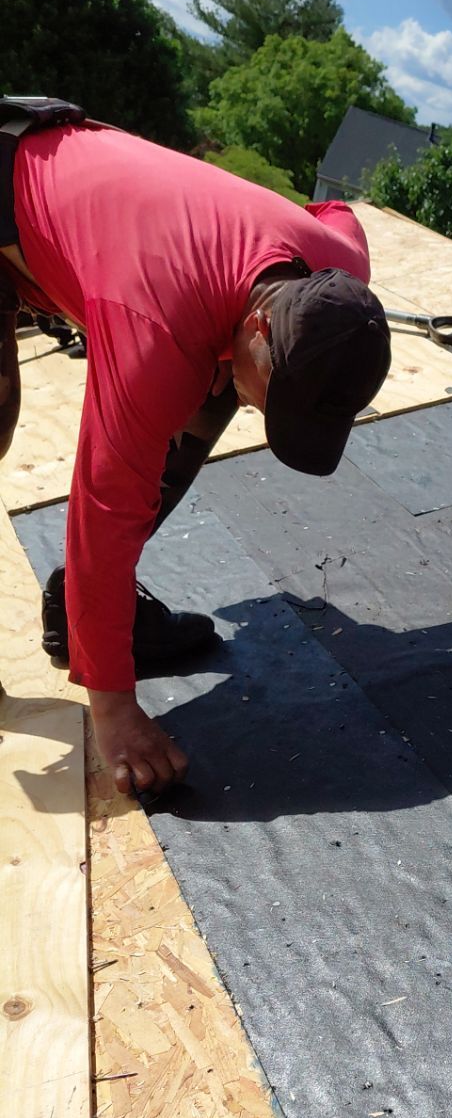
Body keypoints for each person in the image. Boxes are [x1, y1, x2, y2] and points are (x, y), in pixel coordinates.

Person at [0, 106, 391, 798]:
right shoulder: (153, 331)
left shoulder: (338, 274)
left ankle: (93, 618)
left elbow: (335, 209)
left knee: (217, 385)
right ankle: (100, 633)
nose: (257, 412)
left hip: (101, 212)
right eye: (271, 398)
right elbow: (101, 516)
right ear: (265, 318)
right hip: (9, 189)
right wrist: (115, 712)